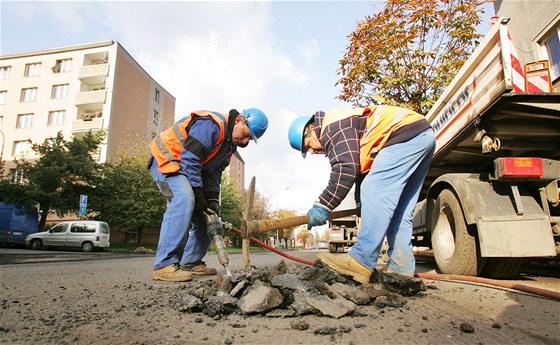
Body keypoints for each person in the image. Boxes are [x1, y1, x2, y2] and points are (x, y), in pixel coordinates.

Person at [288, 106, 435, 284]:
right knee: (400, 210)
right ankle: (401, 267)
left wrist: (322, 205)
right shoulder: (344, 128)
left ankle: (361, 260)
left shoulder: (332, 127)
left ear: (311, 129)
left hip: (403, 135)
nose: (312, 151)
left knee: (374, 189)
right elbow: (360, 174)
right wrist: (362, 206)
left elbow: (345, 170)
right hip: (421, 136)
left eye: (308, 146)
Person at [149, 108, 268, 282]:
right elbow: (190, 158)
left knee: (210, 214)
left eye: (249, 139)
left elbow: (214, 172)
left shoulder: (229, 147)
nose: (244, 140)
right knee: (185, 199)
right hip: (167, 158)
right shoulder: (212, 125)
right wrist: (198, 193)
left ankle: (191, 261)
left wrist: (211, 200)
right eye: (245, 134)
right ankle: (164, 264)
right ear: (239, 120)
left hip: (186, 167)